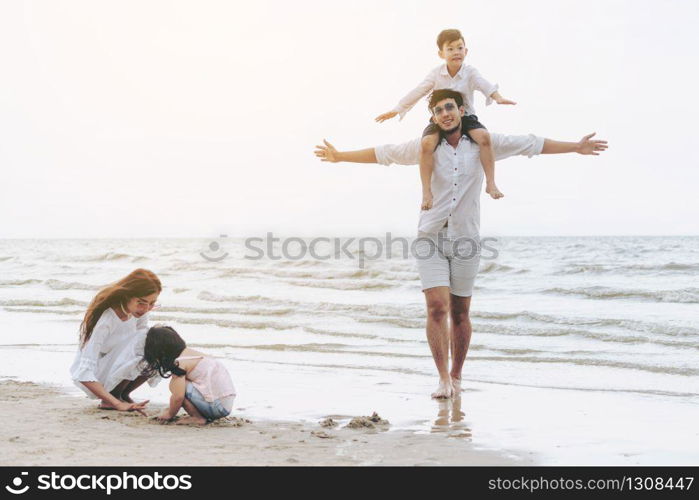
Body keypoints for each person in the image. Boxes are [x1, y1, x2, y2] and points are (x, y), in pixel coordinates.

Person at [316, 88, 608, 398]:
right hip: (431, 236)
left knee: (460, 312)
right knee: (437, 308)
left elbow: (530, 144)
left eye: (449, 108)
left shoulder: (484, 143)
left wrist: (575, 147)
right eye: (439, 110)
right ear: (433, 117)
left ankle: (457, 375)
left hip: (467, 238)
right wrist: (340, 157)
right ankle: (442, 378)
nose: (445, 113)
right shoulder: (424, 148)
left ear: (461, 110)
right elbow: (384, 153)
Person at [375, 28, 516, 208]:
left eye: (459, 48)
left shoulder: (470, 72)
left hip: (466, 117)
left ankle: (491, 183)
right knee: (426, 144)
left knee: (484, 138)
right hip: (441, 118)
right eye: (450, 49)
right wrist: (398, 109)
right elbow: (419, 91)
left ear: (466, 51)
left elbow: (484, 85)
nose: (456, 52)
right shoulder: (436, 74)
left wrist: (498, 97)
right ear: (441, 53)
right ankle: (426, 193)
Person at [69, 268, 162, 414]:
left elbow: (145, 346)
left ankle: (122, 394)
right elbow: (83, 373)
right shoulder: (106, 319)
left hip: (116, 368)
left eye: (152, 303)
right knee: (143, 341)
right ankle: (111, 399)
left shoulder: (139, 313)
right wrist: (116, 404)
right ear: (127, 296)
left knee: (158, 343)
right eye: (141, 302)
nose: (146, 309)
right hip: (97, 376)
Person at [142, 326, 236, 425]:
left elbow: (178, 397)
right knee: (182, 385)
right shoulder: (192, 353)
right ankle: (201, 414)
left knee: (176, 387)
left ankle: (197, 418)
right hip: (226, 404)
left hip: (216, 407)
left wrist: (170, 414)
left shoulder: (180, 363)